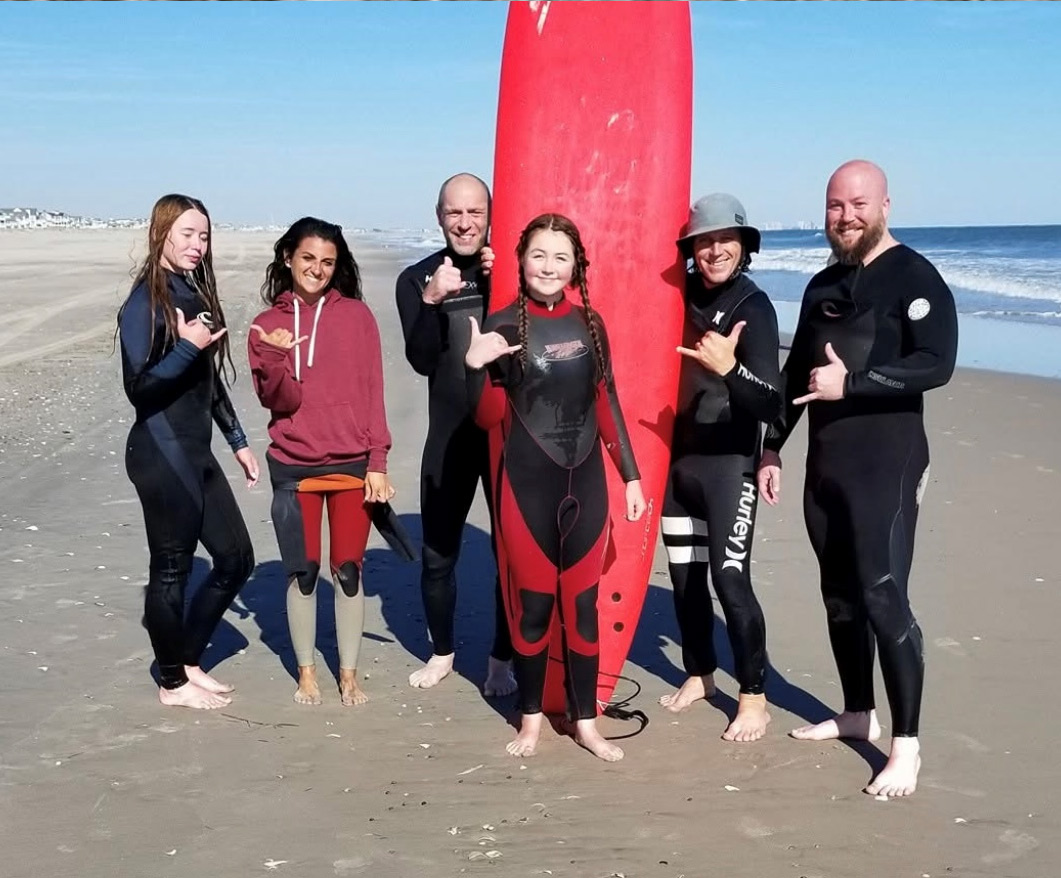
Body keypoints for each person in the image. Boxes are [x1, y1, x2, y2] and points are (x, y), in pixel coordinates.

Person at [758, 160, 958, 797]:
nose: (845, 216)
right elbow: (796, 380)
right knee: (839, 595)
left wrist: (856, 384)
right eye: (835, 206)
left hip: (887, 463)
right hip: (828, 467)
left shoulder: (915, 276)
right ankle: (854, 713)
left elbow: (937, 363)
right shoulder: (821, 286)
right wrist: (771, 448)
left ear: (886, 205)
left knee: (881, 594)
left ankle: (906, 746)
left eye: (858, 204)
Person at [465, 213, 646, 762]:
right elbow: (488, 417)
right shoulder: (500, 326)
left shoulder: (591, 324)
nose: (548, 266)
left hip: (586, 483)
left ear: (575, 266)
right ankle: (531, 721)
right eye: (538, 254)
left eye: (560, 256)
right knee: (535, 611)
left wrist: (631, 475)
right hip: (526, 489)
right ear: (521, 260)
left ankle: (587, 722)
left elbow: (606, 401)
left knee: (583, 609)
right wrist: (478, 368)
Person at [117, 193, 257, 710]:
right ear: (162, 235)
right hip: (160, 450)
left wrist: (238, 441)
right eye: (187, 235)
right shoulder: (145, 302)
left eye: (204, 235)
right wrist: (187, 347)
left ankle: (187, 658)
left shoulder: (192, 293)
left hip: (197, 450)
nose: (198, 245)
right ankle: (171, 682)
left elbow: (207, 381)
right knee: (172, 568)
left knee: (236, 558)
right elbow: (140, 388)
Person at [248, 218, 395, 707]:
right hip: (294, 466)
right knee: (304, 572)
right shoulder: (267, 325)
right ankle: (307, 674)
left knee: (349, 570)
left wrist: (378, 460)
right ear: (289, 257)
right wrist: (274, 358)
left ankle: (349, 675)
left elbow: (374, 393)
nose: (317, 269)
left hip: (353, 464)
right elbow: (279, 400)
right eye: (308, 258)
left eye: (327, 262)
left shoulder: (357, 317)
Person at [660, 194, 782, 742]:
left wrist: (730, 368)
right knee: (685, 579)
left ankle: (754, 697)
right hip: (677, 466)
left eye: (724, 241)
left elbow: (773, 405)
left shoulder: (754, 308)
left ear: (743, 245)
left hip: (730, 467)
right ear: (691, 249)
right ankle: (700, 674)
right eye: (703, 241)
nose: (714, 251)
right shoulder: (675, 297)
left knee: (730, 581)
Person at [394, 173, 515, 695]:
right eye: (454, 213)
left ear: (490, 215)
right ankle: (442, 653)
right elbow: (421, 361)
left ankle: (501, 662)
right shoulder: (417, 277)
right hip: (449, 437)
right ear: (439, 216)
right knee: (439, 554)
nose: (465, 223)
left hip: (506, 436)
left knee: (510, 554)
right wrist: (431, 299)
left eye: (475, 212)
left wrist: (499, 280)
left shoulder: (509, 271)